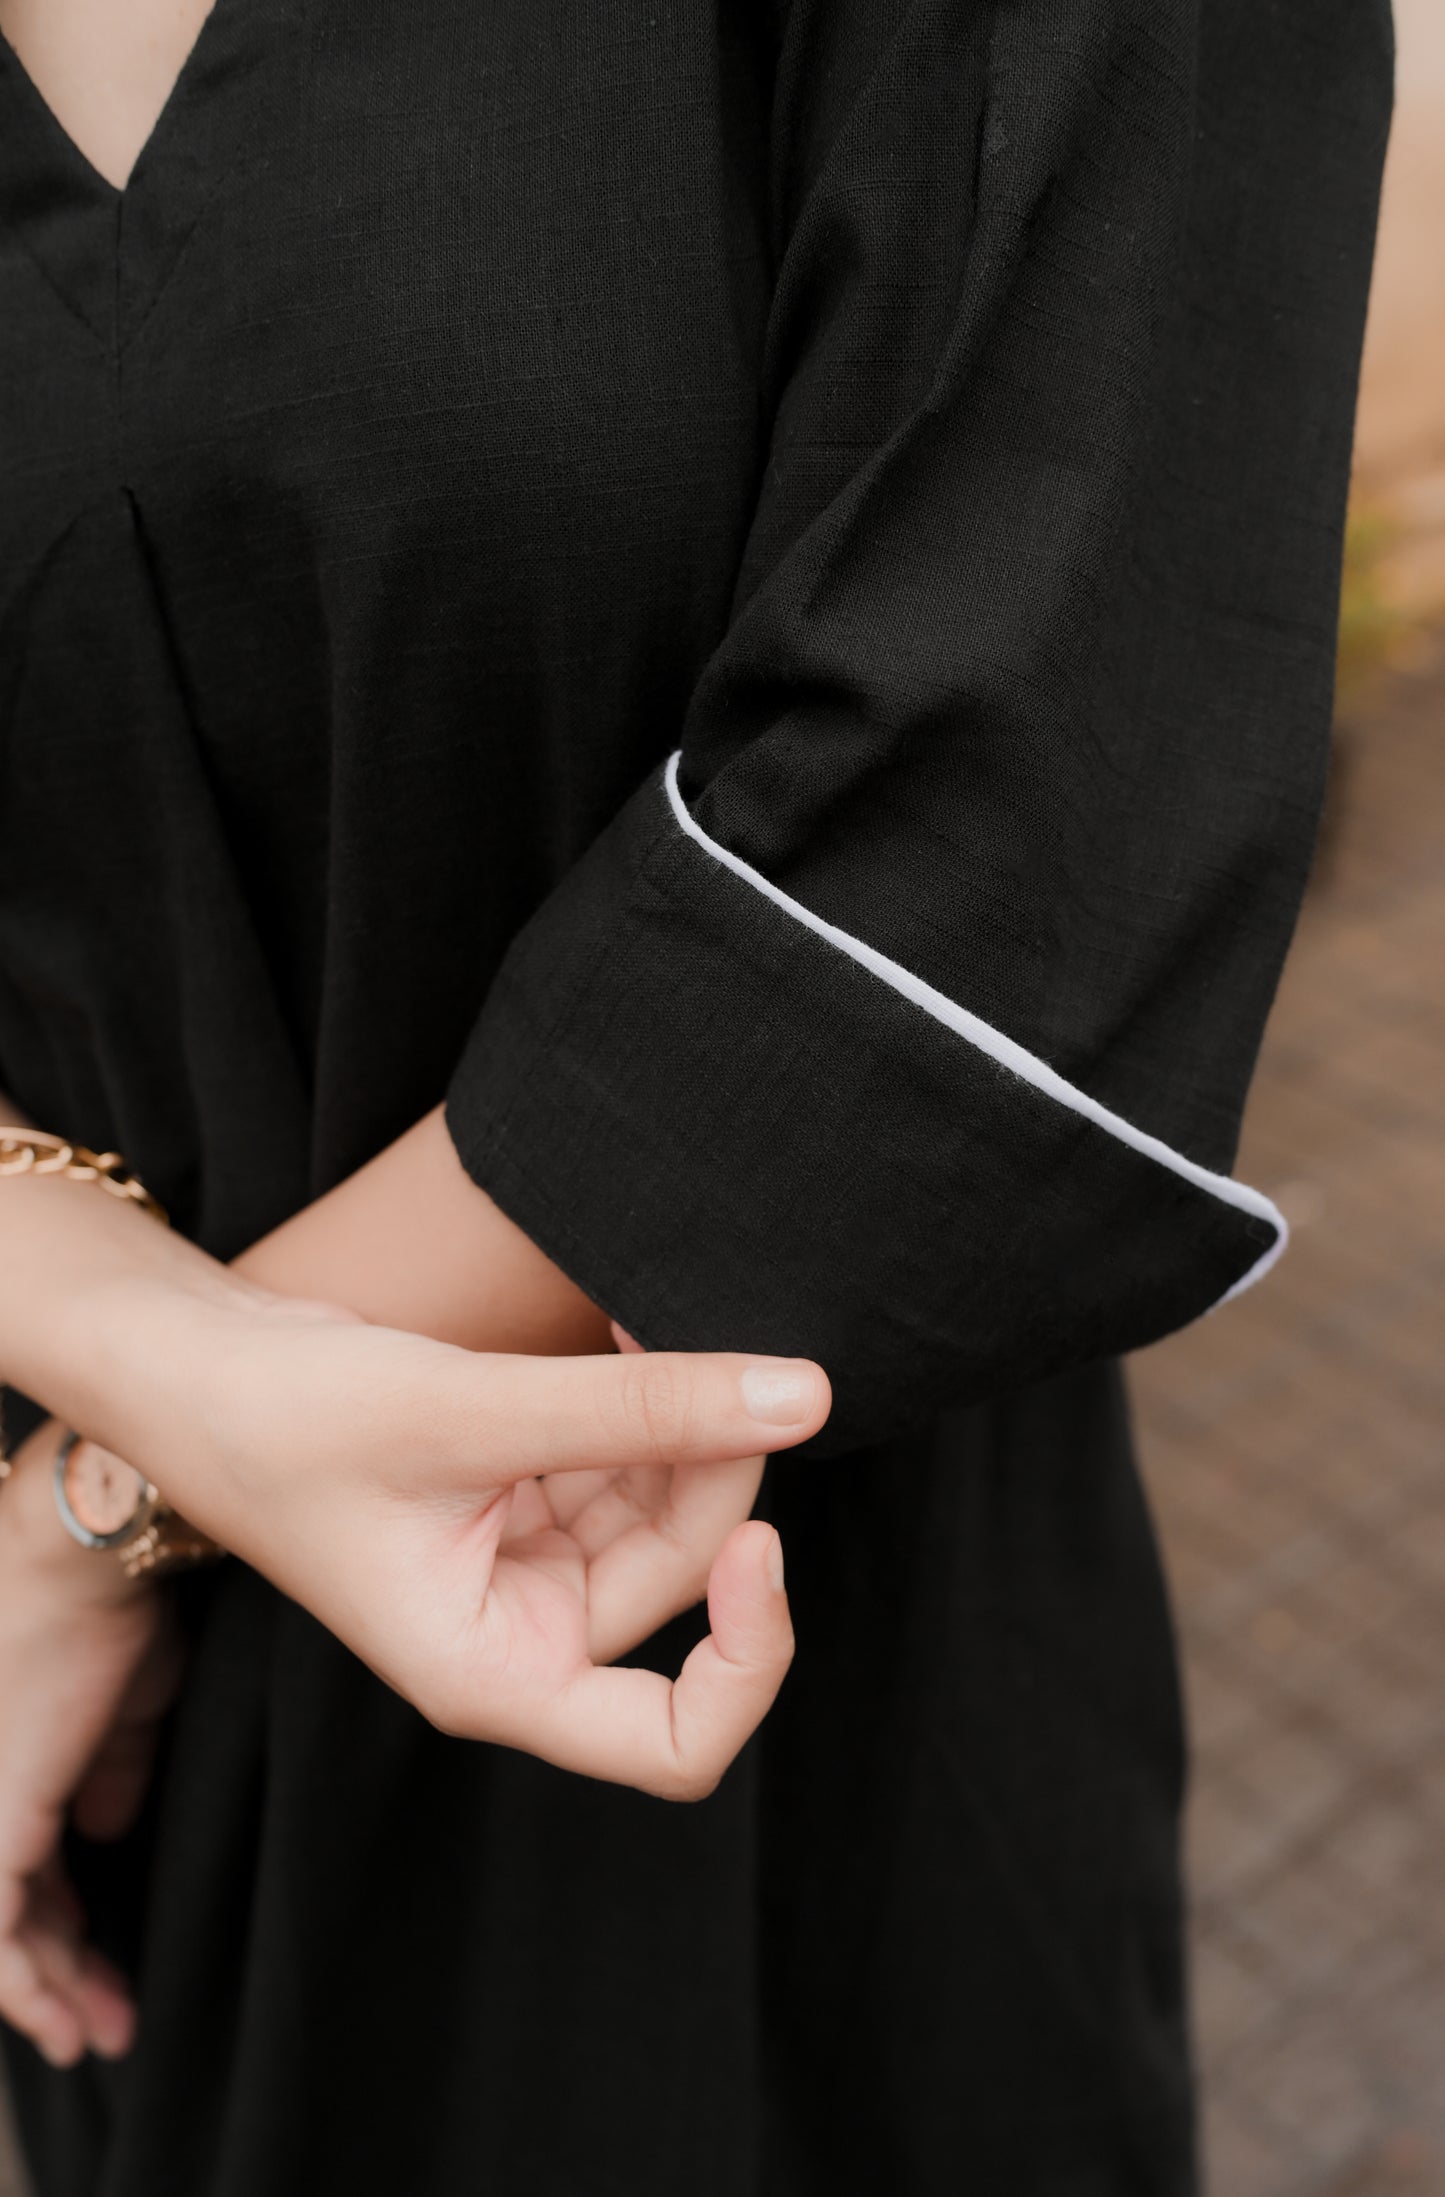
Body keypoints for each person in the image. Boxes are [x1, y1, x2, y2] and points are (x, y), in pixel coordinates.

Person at [0, 0, 1392, 2189]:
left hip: (764, 1710)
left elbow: (1016, 814)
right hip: (118, 1803)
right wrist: (99, 1421)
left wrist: (100, 1512)